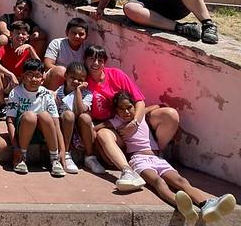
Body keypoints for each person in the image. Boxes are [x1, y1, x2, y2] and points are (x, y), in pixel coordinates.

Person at [99, 91, 237, 224]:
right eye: (121, 109)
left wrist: (147, 110)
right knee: (159, 182)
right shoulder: (117, 121)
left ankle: (206, 204)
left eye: (129, 107)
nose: (126, 112)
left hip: (157, 159)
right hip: (138, 160)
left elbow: (155, 107)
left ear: (134, 106)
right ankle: (181, 205)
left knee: (180, 181)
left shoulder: (140, 116)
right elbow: (100, 126)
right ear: (116, 111)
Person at [85, 45, 180, 191]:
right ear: (85, 60)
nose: (95, 63)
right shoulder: (85, 81)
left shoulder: (116, 74)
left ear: (105, 62)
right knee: (103, 134)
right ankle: (127, 171)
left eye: (100, 60)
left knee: (170, 114)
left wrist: (135, 123)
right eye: (91, 59)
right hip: (113, 125)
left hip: (134, 118)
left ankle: (156, 153)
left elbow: (139, 101)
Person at [6, 59, 65, 177]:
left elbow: (55, 122)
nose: (34, 79)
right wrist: (15, 146)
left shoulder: (46, 94)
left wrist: (62, 149)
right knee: (30, 116)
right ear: (22, 76)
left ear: (42, 79)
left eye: (37, 76)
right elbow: (10, 121)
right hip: (23, 132)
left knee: (45, 116)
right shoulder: (16, 93)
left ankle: (54, 158)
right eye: (30, 75)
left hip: (42, 133)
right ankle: (22, 157)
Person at [54, 61, 104, 175]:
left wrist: (77, 92)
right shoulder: (58, 92)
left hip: (81, 129)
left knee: (85, 117)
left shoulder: (87, 93)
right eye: (73, 78)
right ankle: (66, 153)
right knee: (68, 115)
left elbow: (81, 110)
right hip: (65, 127)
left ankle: (90, 156)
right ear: (66, 76)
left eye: (80, 80)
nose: (76, 82)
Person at [0, 21, 39, 118]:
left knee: (35, 74)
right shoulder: (5, 48)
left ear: (27, 37)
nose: (20, 36)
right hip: (8, 81)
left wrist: (30, 48)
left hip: (22, 82)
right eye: (18, 33)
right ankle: (3, 105)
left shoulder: (28, 50)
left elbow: (40, 66)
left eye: (23, 34)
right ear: (11, 35)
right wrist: (10, 74)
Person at [43, 17, 89, 90]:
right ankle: (51, 98)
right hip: (55, 77)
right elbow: (48, 64)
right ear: (67, 33)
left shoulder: (87, 49)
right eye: (74, 33)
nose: (77, 36)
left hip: (75, 80)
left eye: (81, 34)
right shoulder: (57, 43)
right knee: (60, 71)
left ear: (86, 36)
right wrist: (68, 76)